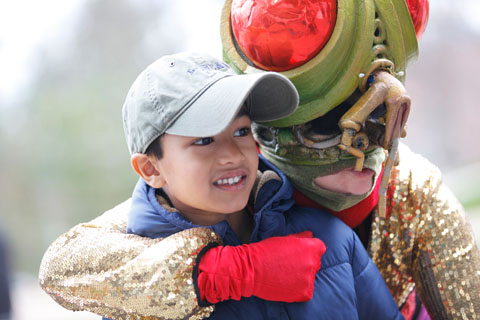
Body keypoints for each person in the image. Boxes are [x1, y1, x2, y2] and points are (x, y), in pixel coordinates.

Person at [39, 0, 480, 319]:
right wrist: (225, 273)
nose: (361, 158)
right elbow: (62, 267)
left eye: (241, 132)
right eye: (324, 130)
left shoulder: (406, 191)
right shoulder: (180, 213)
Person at [41, 52, 404, 320]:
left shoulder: (329, 240)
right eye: (203, 140)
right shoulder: (132, 294)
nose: (233, 154)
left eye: (242, 131)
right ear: (151, 169)